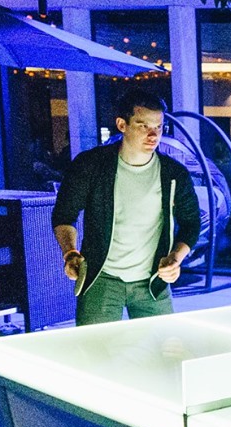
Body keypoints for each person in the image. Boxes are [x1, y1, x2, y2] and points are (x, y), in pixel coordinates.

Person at [52, 88, 202, 326]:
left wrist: (175, 258)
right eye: (143, 126)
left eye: (159, 127)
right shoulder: (90, 165)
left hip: (152, 280)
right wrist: (70, 253)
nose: (153, 135)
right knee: (96, 353)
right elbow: (64, 215)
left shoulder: (173, 173)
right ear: (122, 124)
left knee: (160, 351)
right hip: (101, 277)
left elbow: (192, 222)